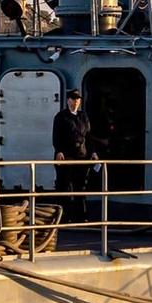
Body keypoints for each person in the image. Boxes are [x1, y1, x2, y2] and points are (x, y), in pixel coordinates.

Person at [52, 87, 93, 217]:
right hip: (66, 155)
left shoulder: (83, 116)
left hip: (81, 155)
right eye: (73, 99)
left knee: (80, 186)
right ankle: (63, 215)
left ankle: (80, 215)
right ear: (68, 101)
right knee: (64, 186)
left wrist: (93, 152)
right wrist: (59, 151)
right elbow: (56, 136)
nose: (75, 102)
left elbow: (88, 136)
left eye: (77, 99)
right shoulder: (61, 117)